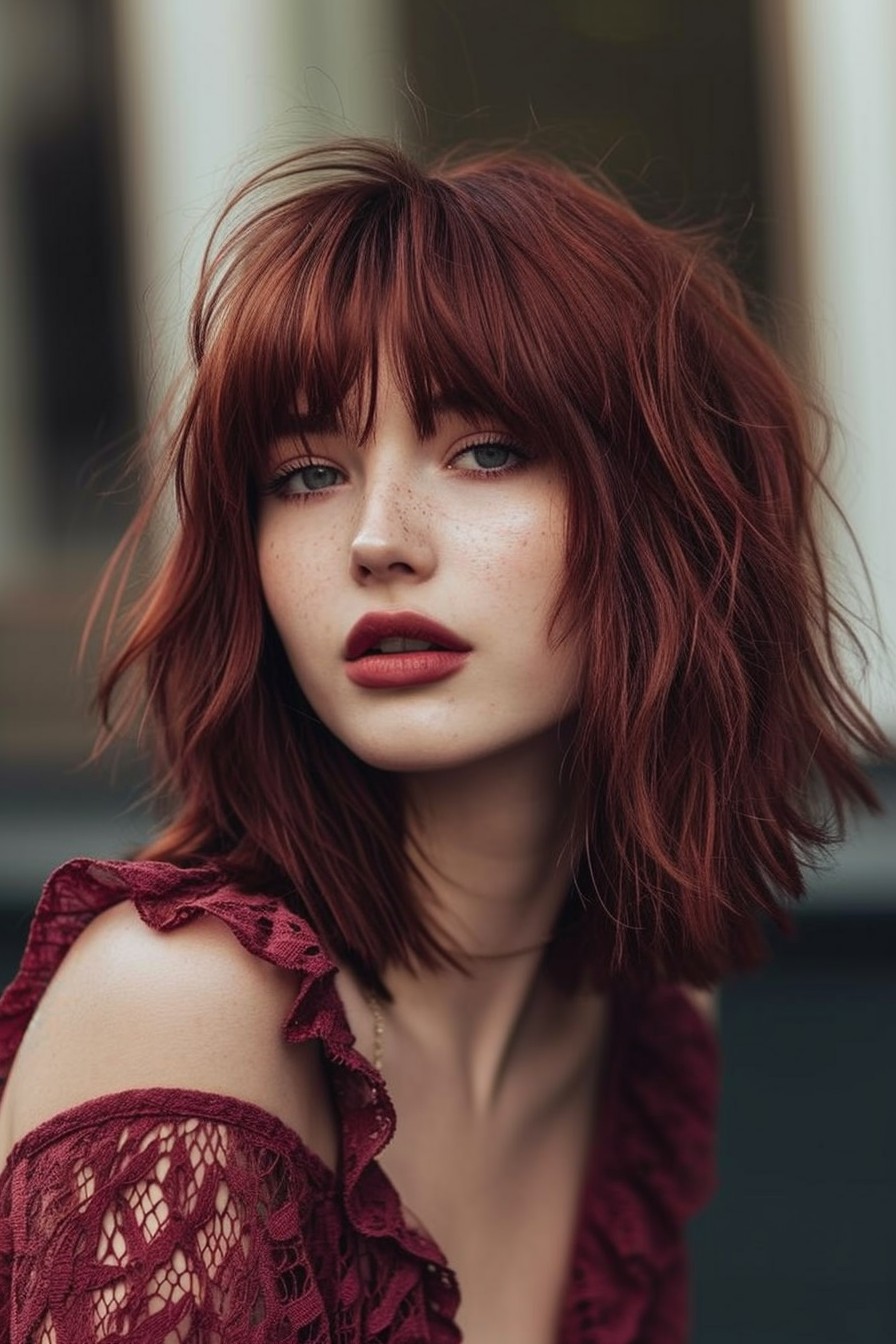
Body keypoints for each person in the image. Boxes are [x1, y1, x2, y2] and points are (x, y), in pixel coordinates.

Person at [0, 138, 888, 1344]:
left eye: (485, 450)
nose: (376, 538)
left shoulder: (639, 1005)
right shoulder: (181, 1008)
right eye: (305, 472)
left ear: (669, 517)